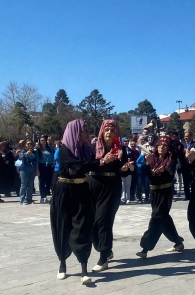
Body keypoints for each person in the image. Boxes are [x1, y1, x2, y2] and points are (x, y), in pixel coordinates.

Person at [50, 119, 117, 284]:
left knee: (83, 227)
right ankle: (62, 264)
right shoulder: (65, 149)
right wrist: (100, 161)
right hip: (64, 191)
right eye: (85, 130)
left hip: (82, 190)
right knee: (63, 226)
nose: (88, 133)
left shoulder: (87, 149)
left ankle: (84, 270)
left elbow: (94, 167)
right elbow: (79, 166)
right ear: (76, 133)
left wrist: (109, 161)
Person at [137, 136, 184, 258]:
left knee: (156, 218)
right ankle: (178, 241)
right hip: (154, 192)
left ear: (168, 148)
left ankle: (145, 247)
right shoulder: (153, 158)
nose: (161, 147)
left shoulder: (170, 160)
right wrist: (147, 164)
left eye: (164, 145)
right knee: (164, 219)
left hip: (165, 191)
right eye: (159, 145)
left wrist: (163, 170)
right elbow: (144, 173)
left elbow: (170, 175)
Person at [89, 120, 124, 272]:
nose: (109, 132)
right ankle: (106, 249)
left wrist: (127, 168)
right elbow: (89, 164)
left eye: (112, 130)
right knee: (93, 222)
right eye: (107, 129)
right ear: (102, 131)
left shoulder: (121, 149)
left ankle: (103, 257)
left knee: (104, 220)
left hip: (111, 187)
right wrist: (103, 161)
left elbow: (124, 171)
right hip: (93, 186)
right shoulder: (93, 147)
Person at [37, 135, 55, 204]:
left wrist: (53, 163)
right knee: (42, 182)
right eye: (41, 141)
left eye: (44, 141)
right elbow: (37, 160)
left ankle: (45, 194)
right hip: (42, 166)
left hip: (49, 166)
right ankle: (42, 197)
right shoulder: (38, 149)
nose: (43, 142)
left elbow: (52, 157)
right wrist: (37, 169)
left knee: (48, 182)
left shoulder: (49, 149)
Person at [119, 138, 135, 204]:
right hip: (122, 169)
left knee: (128, 185)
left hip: (129, 170)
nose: (126, 142)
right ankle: (123, 198)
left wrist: (130, 161)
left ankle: (128, 198)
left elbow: (133, 158)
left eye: (127, 141)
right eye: (125, 141)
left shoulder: (130, 150)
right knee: (122, 185)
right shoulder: (120, 150)